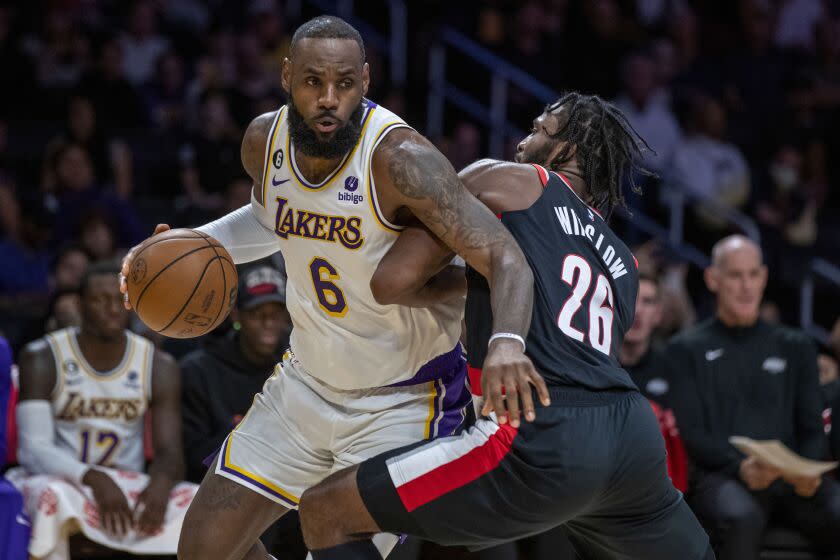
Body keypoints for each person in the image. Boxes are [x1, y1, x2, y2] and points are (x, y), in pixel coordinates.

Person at [120, 16, 537, 560]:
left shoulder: (400, 160)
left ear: (365, 81)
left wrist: (508, 340)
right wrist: (186, 244)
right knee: (202, 549)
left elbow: (504, 253)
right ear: (287, 76)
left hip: (401, 403)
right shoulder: (262, 142)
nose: (328, 99)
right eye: (313, 82)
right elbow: (270, 219)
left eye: (344, 84)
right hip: (305, 388)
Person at [294, 93, 713, 560]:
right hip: (631, 437)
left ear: (567, 149)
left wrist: (476, 275)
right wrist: (486, 279)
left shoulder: (510, 182)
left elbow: (394, 281)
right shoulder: (625, 263)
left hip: (542, 433)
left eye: (538, 130)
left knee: (325, 511)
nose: (522, 141)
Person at [665, 235, 840, 559]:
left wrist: (809, 471)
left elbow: (813, 426)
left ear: (763, 277)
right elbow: (693, 434)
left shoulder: (796, 344)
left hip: (791, 478)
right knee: (742, 516)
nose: (746, 286)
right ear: (713, 279)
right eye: (735, 275)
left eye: (752, 274)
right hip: (722, 475)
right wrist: (739, 467)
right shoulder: (685, 348)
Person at [16, 261, 183, 539]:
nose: (113, 309)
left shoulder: (158, 364)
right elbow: (33, 450)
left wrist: (161, 485)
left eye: (120, 300)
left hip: (125, 483)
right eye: (100, 300)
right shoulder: (43, 357)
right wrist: (93, 477)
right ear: (79, 306)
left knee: (198, 502)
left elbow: (170, 452)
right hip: (64, 480)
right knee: (51, 498)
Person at [179, 262, 304, 559]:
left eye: (277, 314)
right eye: (258, 314)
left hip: (289, 479)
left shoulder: (297, 365)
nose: (269, 323)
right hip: (217, 481)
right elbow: (193, 451)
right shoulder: (200, 369)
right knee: (250, 506)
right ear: (237, 316)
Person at [619, 270, 669, 405]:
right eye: (630, 298)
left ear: (658, 314)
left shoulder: (672, 368)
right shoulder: (596, 366)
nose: (637, 311)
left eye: (647, 301)